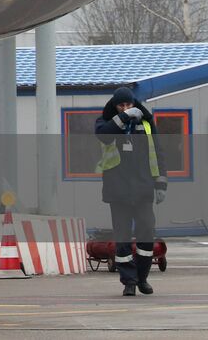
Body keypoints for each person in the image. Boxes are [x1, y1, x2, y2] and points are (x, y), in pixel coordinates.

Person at [95, 86, 167, 296]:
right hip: (118, 191)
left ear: (135, 104)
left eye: (129, 105)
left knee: (146, 233)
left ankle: (142, 277)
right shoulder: (105, 123)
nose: (126, 108)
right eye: (121, 105)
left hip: (143, 188)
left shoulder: (146, 124)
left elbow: (158, 153)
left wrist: (161, 183)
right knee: (123, 237)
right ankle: (129, 281)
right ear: (115, 106)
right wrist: (124, 117)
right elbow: (104, 136)